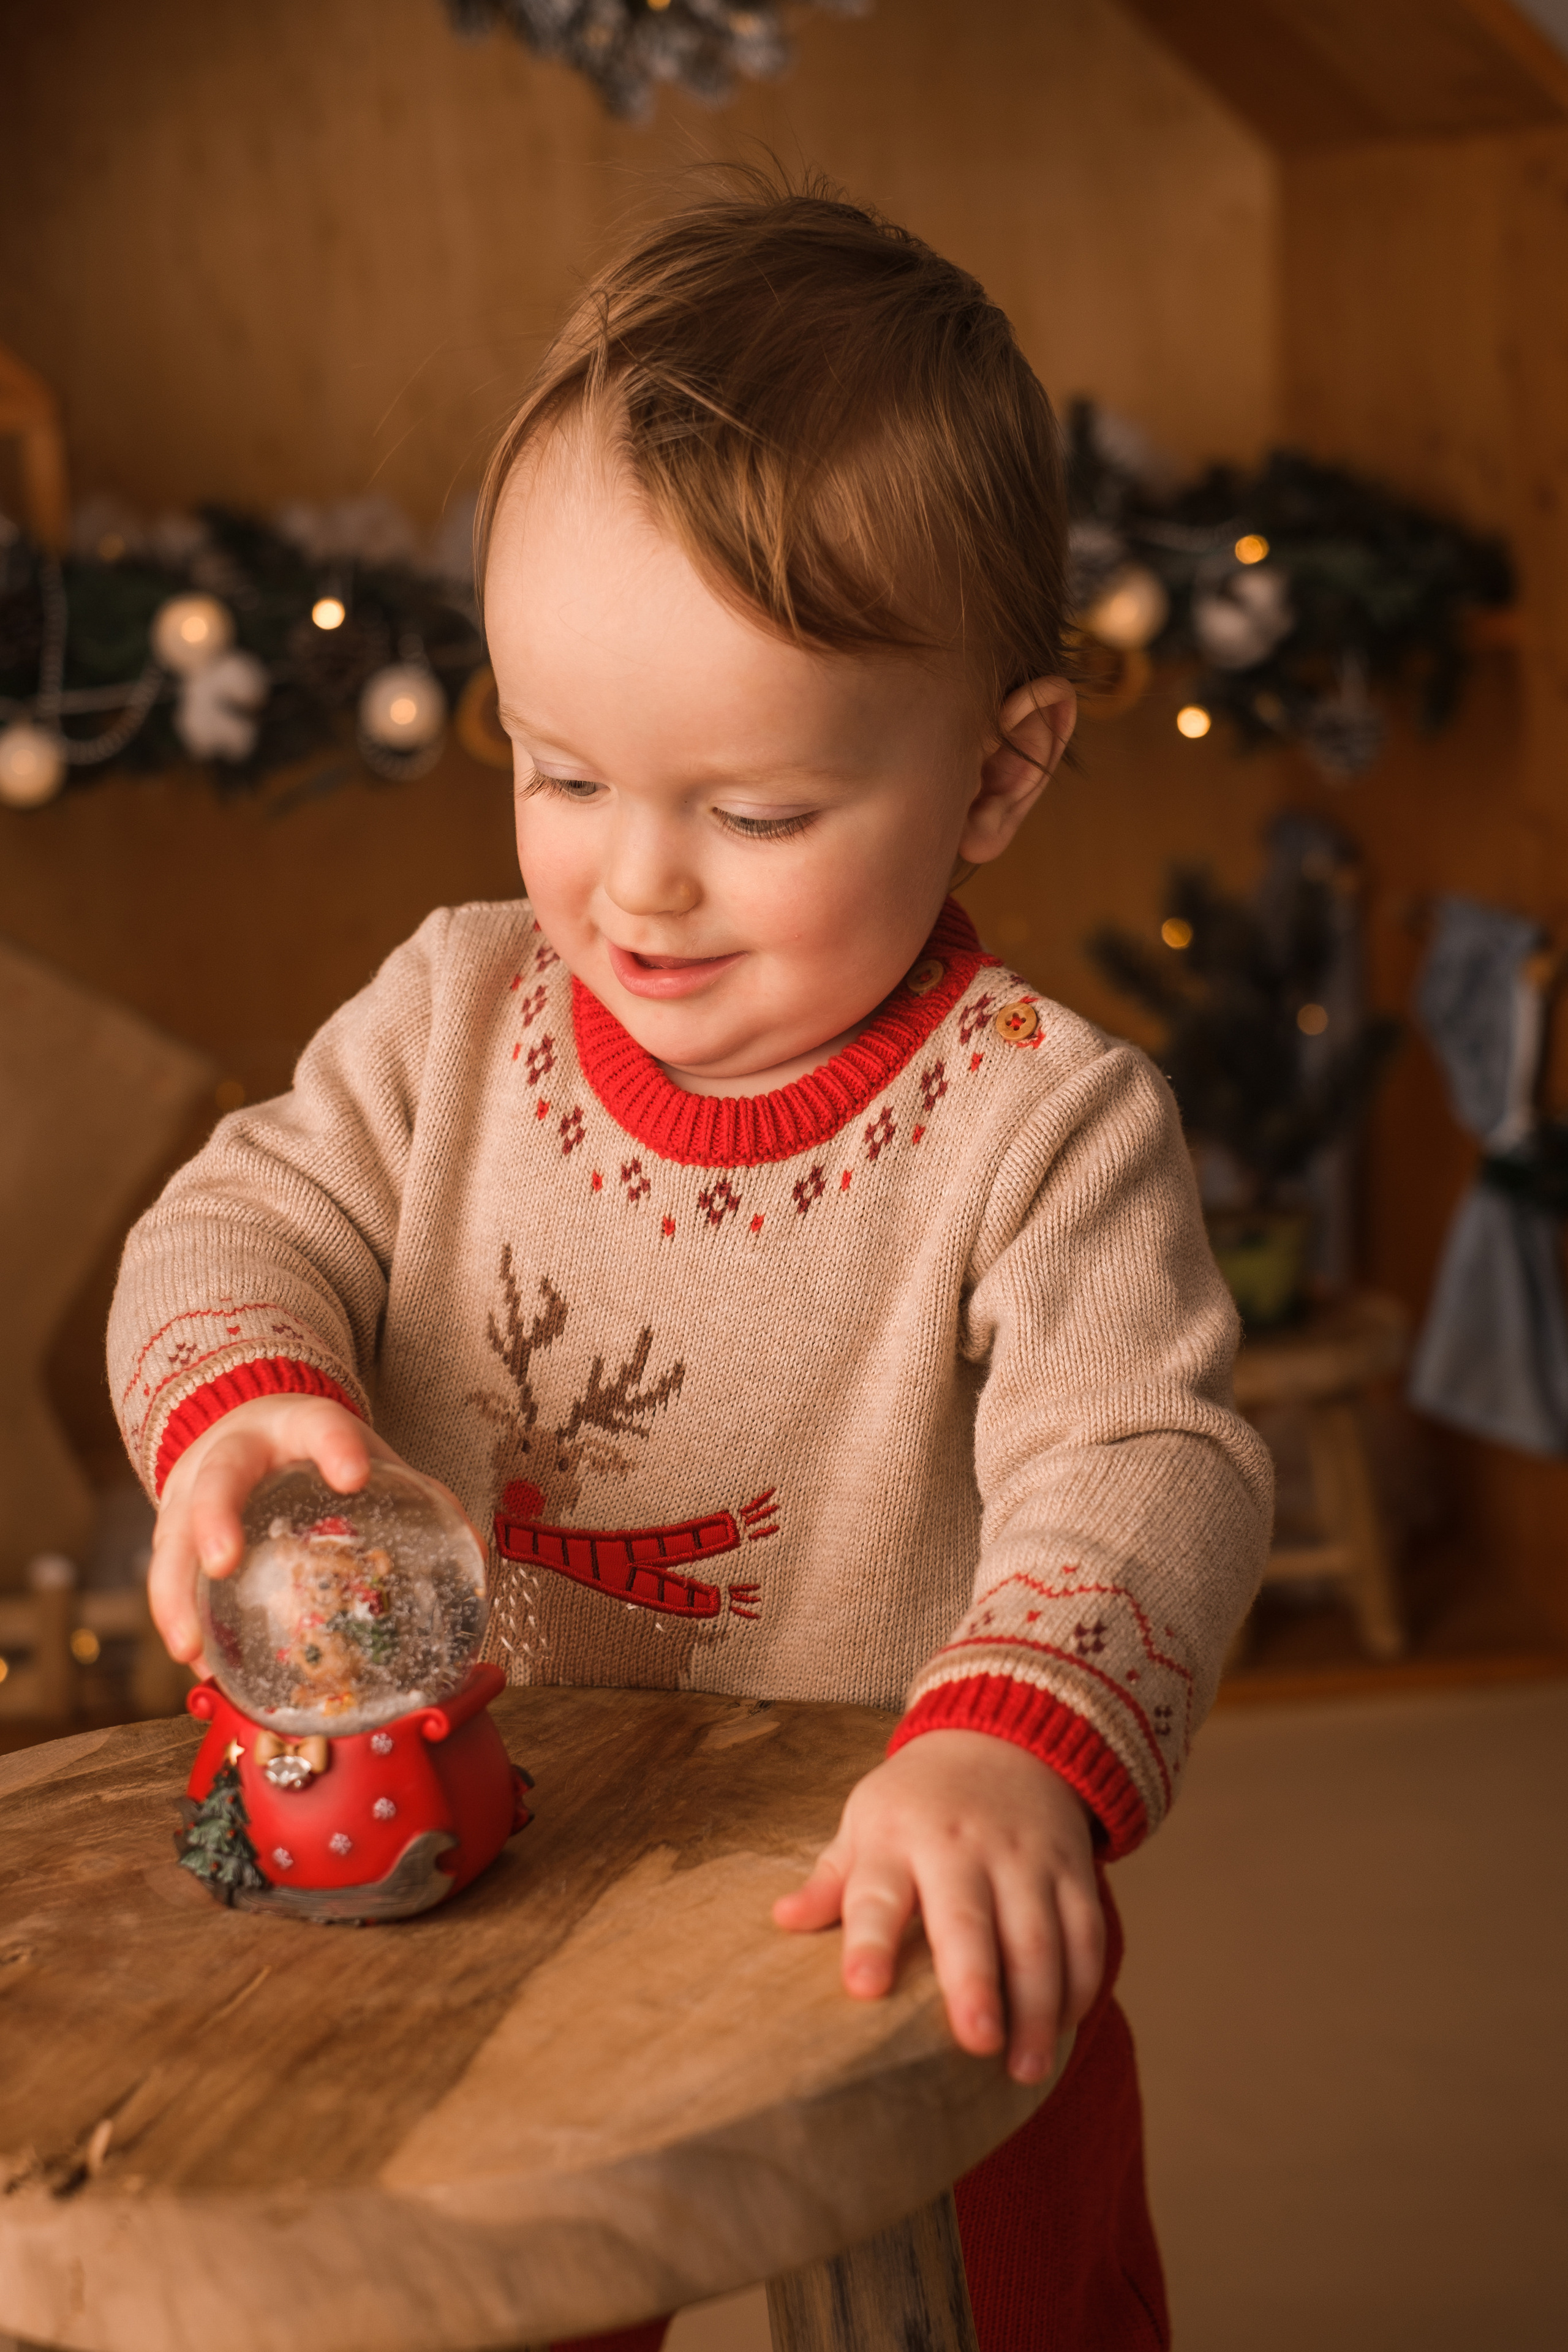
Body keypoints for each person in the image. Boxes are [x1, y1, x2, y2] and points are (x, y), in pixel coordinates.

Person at [109, 177, 1272, 2350]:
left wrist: (1009, 1744)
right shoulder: (452, 1019)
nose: (635, 889)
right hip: (498, 1856)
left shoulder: (1044, 1123)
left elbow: (1154, 1460)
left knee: (1011, 2266)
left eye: (752, 815)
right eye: (561, 773)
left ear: (1000, 770)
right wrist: (247, 1380)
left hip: (894, 1886)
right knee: (463, 2280)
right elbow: (234, 1213)